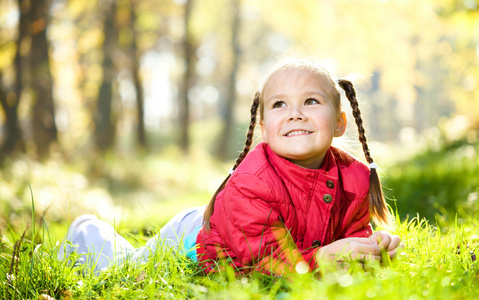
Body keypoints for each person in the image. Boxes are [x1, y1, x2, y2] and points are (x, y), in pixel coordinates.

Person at [59, 59, 402, 275]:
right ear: (265, 128)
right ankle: (86, 232)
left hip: (240, 229)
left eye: (311, 101)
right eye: (280, 104)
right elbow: (257, 263)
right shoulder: (253, 181)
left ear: (340, 122)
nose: (295, 113)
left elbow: (346, 233)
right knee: (127, 268)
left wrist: (370, 247)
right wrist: (320, 260)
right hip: (195, 239)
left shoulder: (353, 177)